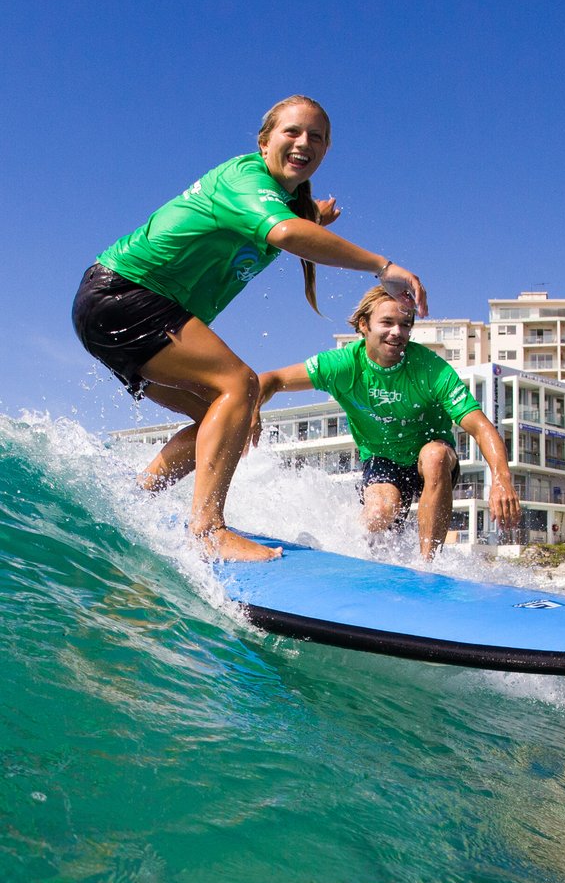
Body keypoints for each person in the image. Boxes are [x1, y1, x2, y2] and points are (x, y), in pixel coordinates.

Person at [72, 96, 427, 562]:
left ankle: (136, 499)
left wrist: (315, 215)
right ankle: (209, 530)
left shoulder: (280, 200)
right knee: (240, 386)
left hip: (114, 308)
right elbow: (284, 233)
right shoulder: (244, 178)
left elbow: (295, 222)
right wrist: (383, 267)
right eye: (293, 132)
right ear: (264, 142)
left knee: (219, 420)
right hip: (125, 295)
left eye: (317, 137)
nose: (305, 143)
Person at [257, 287, 521, 559]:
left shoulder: (430, 368)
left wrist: (501, 479)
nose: (397, 332)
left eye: (405, 325)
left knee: (434, 456)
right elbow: (270, 380)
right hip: (382, 458)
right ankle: (366, 562)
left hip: (431, 460)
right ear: (364, 325)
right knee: (378, 515)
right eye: (387, 322)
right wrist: (253, 408)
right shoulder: (343, 365)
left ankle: (430, 565)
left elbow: (481, 426)